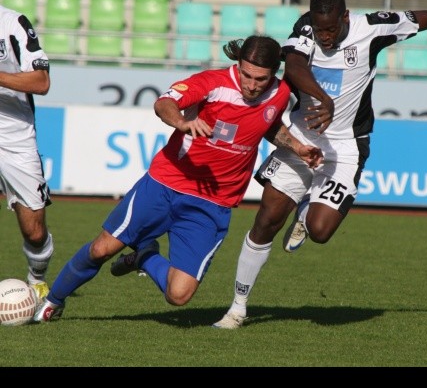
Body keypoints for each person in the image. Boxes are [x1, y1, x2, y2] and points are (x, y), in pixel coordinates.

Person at [213, 0, 427, 329]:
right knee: (266, 220)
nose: (324, 36)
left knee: (320, 230)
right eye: (319, 28)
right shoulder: (306, 27)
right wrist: (322, 99)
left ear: (345, 17)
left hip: (345, 147)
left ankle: (308, 207)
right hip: (301, 138)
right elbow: (295, 66)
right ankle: (237, 309)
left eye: (331, 28)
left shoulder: (372, 28)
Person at [33, 35, 324, 322]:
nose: (251, 85)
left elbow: (268, 126)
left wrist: (297, 147)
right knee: (101, 249)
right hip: (165, 184)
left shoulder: (281, 93)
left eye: (260, 79)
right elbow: (164, 103)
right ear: (237, 64)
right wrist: (182, 122)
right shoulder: (212, 83)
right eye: (246, 75)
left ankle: (145, 254)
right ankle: (53, 302)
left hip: (212, 203)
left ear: (274, 73)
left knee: (179, 295)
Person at [0, 4, 53, 301]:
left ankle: (37, 278)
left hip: (14, 135)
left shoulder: (12, 23)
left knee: (34, 231)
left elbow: (41, 82)